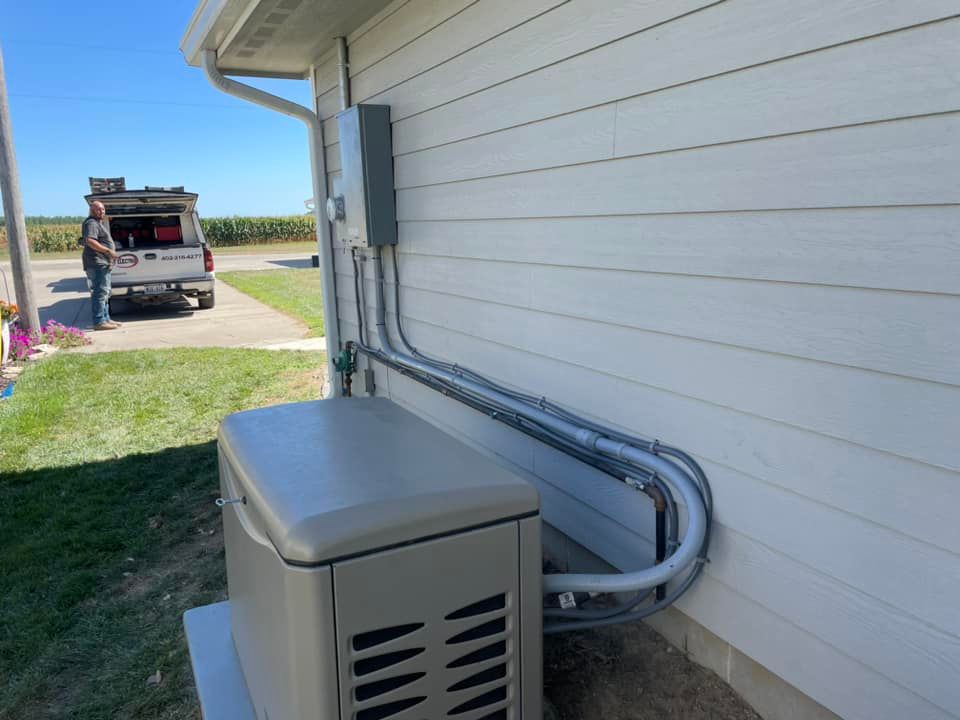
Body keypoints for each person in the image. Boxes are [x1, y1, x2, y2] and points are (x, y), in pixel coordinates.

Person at [81, 201, 121, 330]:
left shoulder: (98, 223)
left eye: (103, 209)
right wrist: (108, 251)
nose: (102, 211)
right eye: (98, 209)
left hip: (103, 263)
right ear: (92, 210)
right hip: (97, 262)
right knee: (100, 292)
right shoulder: (91, 223)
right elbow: (90, 241)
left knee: (105, 292)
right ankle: (99, 321)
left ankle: (106, 319)